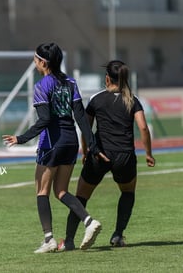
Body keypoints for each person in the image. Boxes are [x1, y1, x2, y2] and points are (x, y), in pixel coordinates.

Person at [2, 43, 105, 253]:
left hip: (52, 142)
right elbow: (81, 117)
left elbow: (45, 120)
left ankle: (49, 239)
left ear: (43, 62)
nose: (34, 63)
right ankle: (88, 221)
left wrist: (21, 138)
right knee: (61, 191)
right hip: (71, 142)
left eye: (35, 59)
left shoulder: (42, 86)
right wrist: (92, 145)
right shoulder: (71, 82)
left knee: (42, 191)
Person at [64, 60, 155, 249]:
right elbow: (144, 128)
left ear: (107, 78)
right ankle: (117, 235)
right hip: (124, 156)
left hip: (100, 155)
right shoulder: (133, 100)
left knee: (81, 195)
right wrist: (148, 153)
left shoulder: (97, 99)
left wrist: (86, 150)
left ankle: (69, 240)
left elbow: (86, 128)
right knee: (127, 192)